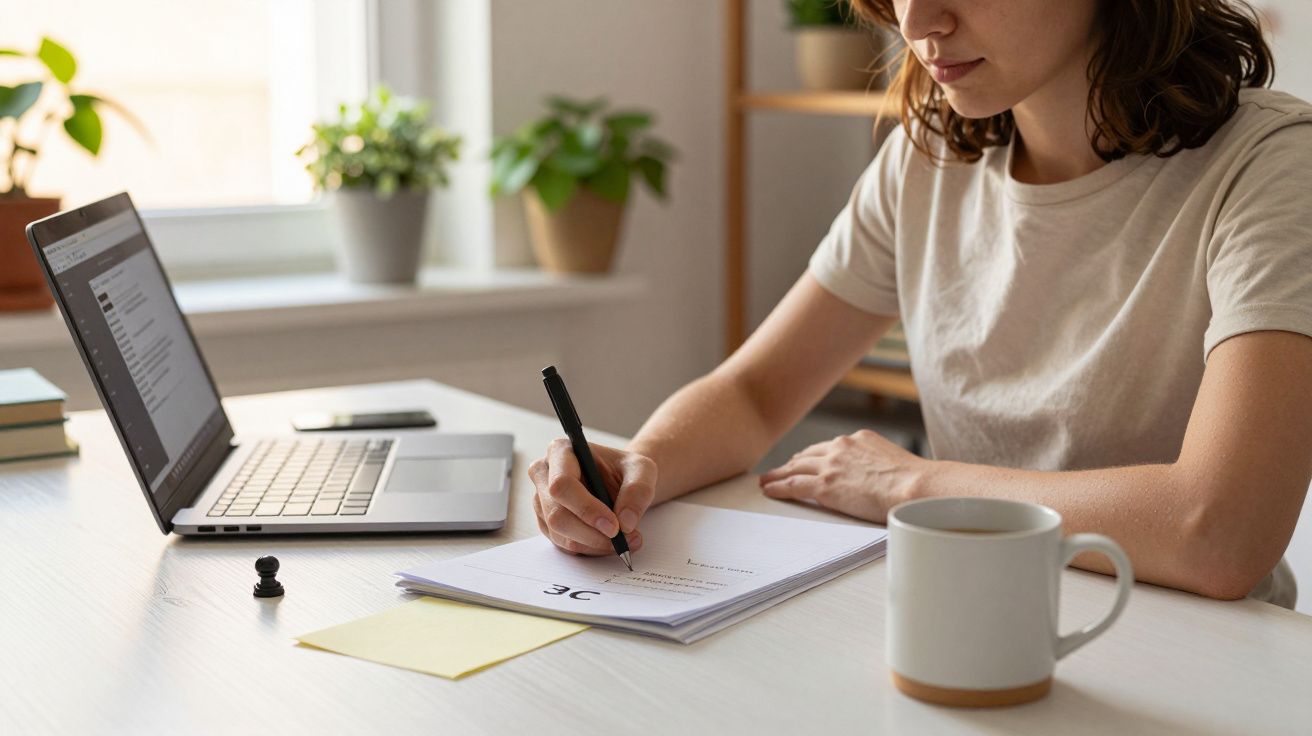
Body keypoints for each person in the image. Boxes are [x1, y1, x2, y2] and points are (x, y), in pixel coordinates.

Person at [528, 0, 1312, 607]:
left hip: (1201, 664)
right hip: (969, 618)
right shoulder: (927, 155)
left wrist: (913, 485)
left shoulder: (1272, 167)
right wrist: (641, 464)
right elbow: (756, 391)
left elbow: (1220, 530)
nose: (917, 23)